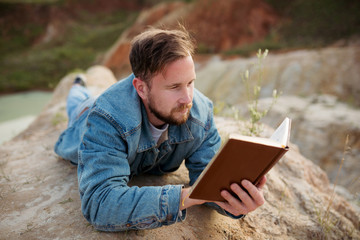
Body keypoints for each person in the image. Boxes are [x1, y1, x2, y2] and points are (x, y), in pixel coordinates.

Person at [54, 26, 266, 232]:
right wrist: (186, 197)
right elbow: (100, 204)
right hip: (86, 114)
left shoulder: (201, 113)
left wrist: (235, 199)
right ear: (141, 88)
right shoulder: (106, 118)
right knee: (77, 103)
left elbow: (208, 177)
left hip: (121, 100)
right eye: (174, 87)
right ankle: (77, 86)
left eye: (190, 82)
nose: (187, 98)